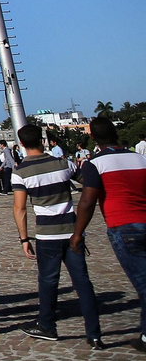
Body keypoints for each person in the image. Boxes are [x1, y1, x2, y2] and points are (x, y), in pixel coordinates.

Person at [11, 122, 100, 345]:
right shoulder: (63, 164)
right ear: (42, 140)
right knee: (83, 282)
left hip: (46, 234)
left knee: (48, 281)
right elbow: (87, 183)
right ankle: (94, 333)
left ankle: (47, 324)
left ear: (21, 144)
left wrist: (24, 238)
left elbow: (19, 208)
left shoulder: (21, 171)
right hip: (72, 231)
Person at [76, 114, 146, 353]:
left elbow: (87, 201)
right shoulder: (139, 158)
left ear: (93, 138)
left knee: (143, 284)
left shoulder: (95, 163)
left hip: (123, 225)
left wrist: (77, 233)